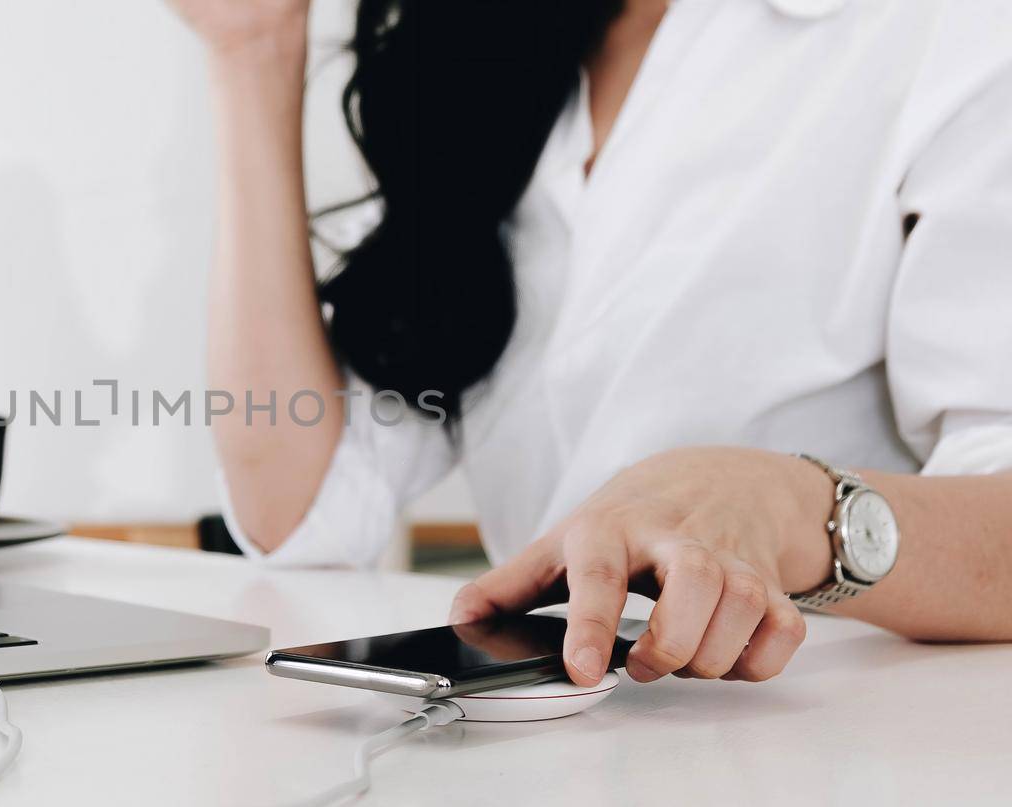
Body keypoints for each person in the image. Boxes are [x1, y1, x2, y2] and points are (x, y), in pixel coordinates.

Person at [167, 0, 1012, 688]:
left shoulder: (941, 30)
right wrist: (254, 51)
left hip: (839, 744)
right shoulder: (477, 50)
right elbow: (305, 513)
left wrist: (797, 507)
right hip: (544, 742)